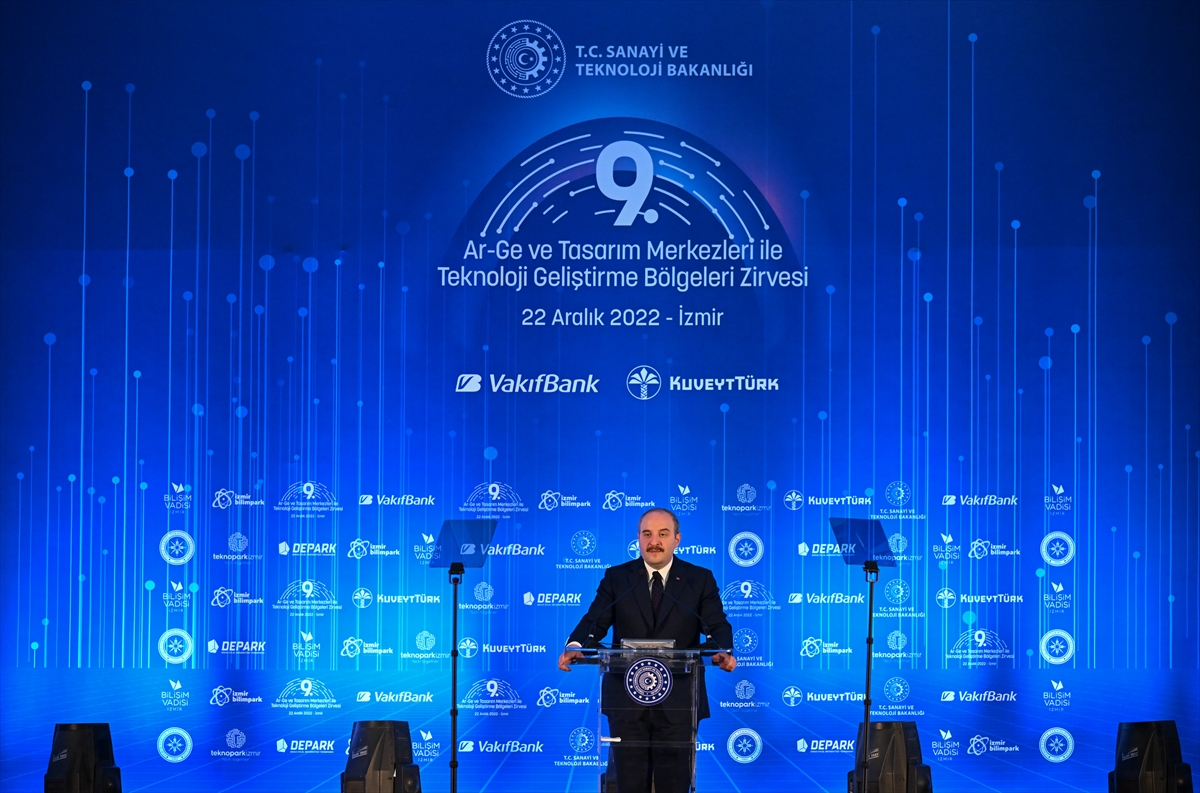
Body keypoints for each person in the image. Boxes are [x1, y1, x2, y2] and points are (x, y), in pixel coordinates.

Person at [557, 507, 736, 793]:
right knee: (629, 784)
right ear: (638, 538)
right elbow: (595, 620)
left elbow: (716, 624)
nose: (654, 542)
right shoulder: (618, 578)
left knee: (674, 785)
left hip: (679, 699)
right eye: (647, 534)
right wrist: (575, 645)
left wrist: (723, 649)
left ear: (677, 539)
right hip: (626, 699)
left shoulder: (699, 578)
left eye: (663, 534)